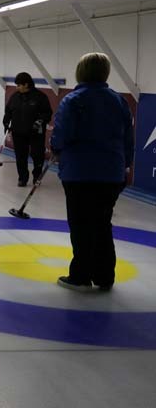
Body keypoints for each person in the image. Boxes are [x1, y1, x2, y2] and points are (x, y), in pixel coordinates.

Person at [50, 53, 133, 293]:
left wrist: (55, 149)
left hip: (79, 173)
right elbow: (128, 139)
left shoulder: (73, 100)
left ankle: (81, 275)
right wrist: (125, 165)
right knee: (102, 223)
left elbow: (63, 135)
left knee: (81, 224)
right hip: (111, 174)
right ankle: (105, 276)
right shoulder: (119, 102)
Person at [2, 72, 53, 186]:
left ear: (26, 84)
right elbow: (8, 111)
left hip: (36, 133)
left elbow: (47, 113)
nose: (17, 87)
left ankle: (36, 177)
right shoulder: (15, 97)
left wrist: (39, 122)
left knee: (37, 155)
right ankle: (22, 178)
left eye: (19, 85)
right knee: (20, 156)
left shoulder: (40, 97)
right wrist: (5, 122)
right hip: (18, 132)